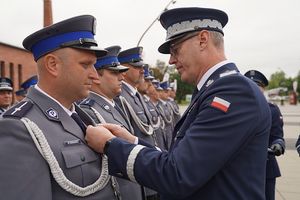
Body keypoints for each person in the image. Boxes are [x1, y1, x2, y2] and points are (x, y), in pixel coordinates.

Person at [85, 7, 271, 200]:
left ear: (203, 40)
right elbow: (183, 159)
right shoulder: (216, 89)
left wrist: (109, 145)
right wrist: (131, 141)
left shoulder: (233, 93)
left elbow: (177, 174)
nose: (172, 60)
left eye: (175, 49)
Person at [0, 15, 131, 200]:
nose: (95, 76)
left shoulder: (82, 116)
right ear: (53, 65)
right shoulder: (19, 128)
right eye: (86, 65)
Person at [79, 45, 144, 200]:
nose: (122, 77)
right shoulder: (89, 111)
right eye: (114, 73)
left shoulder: (114, 106)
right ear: (96, 76)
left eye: (121, 72)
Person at [116, 47, 158, 200]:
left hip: (150, 168)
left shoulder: (135, 95)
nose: (142, 71)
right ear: (124, 70)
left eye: (142, 66)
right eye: (137, 67)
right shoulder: (120, 97)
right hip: (140, 172)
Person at [245, 70, 285, 200]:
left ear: (263, 89)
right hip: (241, 168)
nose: (255, 89)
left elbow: (277, 136)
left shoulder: (272, 110)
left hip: (266, 168)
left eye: (258, 86)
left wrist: (278, 145)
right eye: (250, 85)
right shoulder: (236, 109)